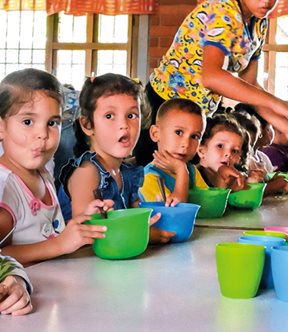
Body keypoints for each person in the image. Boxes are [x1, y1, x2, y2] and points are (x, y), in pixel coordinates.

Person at [134, 0, 288, 165]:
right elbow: (210, 75)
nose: (267, 0)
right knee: (157, 187)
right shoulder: (222, 10)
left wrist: (287, 128)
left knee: (189, 188)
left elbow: (250, 85)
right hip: (165, 109)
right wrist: (278, 104)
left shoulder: (259, 23)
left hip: (198, 118)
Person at [0, 69, 109, 266]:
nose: (42, 134)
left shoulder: (43, 172)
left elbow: (46, 234)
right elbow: (2, 255)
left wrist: (82, 225)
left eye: (52, 123)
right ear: (1, 127)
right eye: (27, 121)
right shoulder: (5, 188)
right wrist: (59, 245)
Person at [56, 74, 175, 243]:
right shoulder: (86, 172)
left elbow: (135, 217)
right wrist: (143, 234)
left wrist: (158, 211)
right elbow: (88, 234)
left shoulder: (127, 172)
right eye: (109, 116)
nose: (124, 124)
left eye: (132, 115)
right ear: (88, 125)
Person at [139, 99, 207, 204]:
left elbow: (207, 204)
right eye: (179, 132)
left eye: (194, 136)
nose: (186, 144)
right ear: (155, 134)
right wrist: (181, 172)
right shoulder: (148, 178)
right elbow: (175, 214)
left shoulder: (192, 171)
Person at [196, 113, 248, 191]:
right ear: (201, 151)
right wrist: (220, 180)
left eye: (234, 151)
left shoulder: (233, 179)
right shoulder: (191, 176)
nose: (228, 154)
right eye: (220, 146)